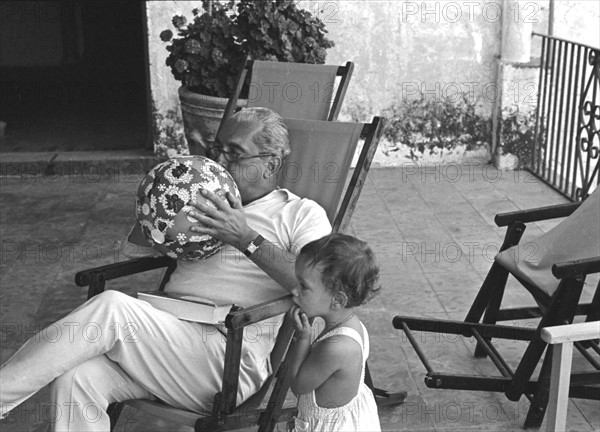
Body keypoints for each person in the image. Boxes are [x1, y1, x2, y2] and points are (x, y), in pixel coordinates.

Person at [0, 107, 332, 431]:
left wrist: (243, 236)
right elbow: (133, 249)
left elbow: (318, 283)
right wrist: (164, 197)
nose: (221, 162)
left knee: (112, 308)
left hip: (225, 359)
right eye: (217, 151)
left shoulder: (300, 214)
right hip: (163, 340)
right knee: (77, 380)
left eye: (235, 154)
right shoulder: (198, 196)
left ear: (270, 162)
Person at [287, 233, 381, 432]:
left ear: (337, 300)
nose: (294, 290)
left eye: (303, 286)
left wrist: (302, 337)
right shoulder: (354, 325)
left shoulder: (335, 348)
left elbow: (297, 384)